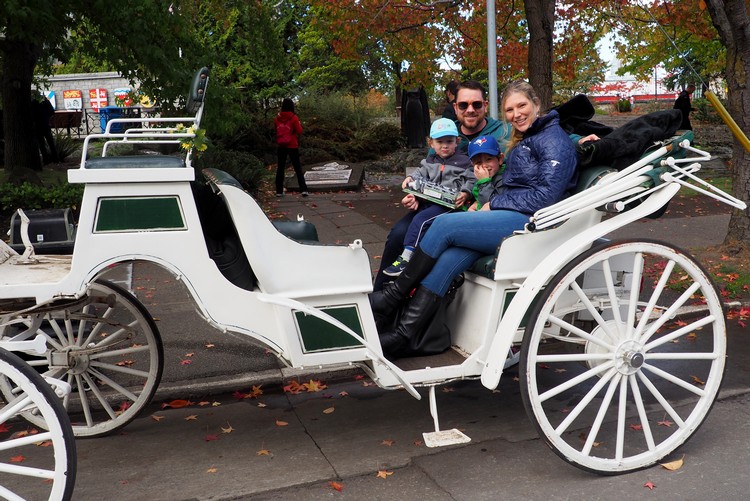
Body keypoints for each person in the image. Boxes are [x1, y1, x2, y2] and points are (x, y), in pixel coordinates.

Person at [370, 80, 578, 359]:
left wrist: (494, 203)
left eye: (522, 106)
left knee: (442, 225)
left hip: (532, 221)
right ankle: (405, 334)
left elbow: (546, 197)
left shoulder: (553, 140)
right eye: (510, 109)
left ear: (537, 105)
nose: (516, 114)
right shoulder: (527, 138)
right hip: (511, 213)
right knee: (449, 254)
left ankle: (391, 298)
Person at [373, 80, 513, 290]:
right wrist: (414, 194)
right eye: (464, 105)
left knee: (431, 231)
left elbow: (533, 129)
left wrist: (578, 140)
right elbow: (428, 172)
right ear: (455, 106)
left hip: (472, 203)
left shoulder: (502, 131)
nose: (470, 110)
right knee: (399, 233)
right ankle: (382, 293)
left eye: (476, 104)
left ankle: (408, 290)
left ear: (485, 105)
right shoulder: (445, 131)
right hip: (435, 202)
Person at [383, 118, 475, 277]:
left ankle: (406, 257)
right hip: (429, 201)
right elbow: (419, 174)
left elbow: (473, 179)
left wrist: (466, 192)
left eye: (449, 141)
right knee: (415, 220)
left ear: (457, 142)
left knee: (421, 220)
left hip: (449, 204)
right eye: (439, 141)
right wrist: (410, 180)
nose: (444, 145)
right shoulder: (429, 161)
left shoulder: (464, 162)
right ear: (431, 143)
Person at [275, 98, 308, 197]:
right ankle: (303, 189)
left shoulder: (277, 118)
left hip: (281, 145)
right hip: (292, 144)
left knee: (280, 167)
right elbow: (299, 131)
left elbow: (276, 130)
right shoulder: (293, 117)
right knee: (297, 167)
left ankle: (279, 191)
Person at [466, 136, 505, 212]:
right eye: (478, 162)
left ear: (500, 159)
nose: (484, 166)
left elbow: (493, 204)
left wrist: (484, 182)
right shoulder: (478, 176)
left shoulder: (505, 178)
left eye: (489, 159)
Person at [32, 95, 58, 164]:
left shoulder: (32, 102)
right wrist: (46, 117)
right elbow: (52, 111)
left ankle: (45, 159)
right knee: (51, 142)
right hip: (45, 124)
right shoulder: (44, 100)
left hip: (37, 125)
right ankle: (55, 158)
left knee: (41, 143)